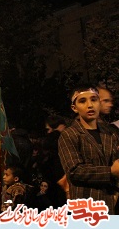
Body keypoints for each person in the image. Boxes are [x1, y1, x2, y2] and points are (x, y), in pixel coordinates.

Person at [58, 85, 119, 214]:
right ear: (74, 108)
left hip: (111, 205)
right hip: (85, 207)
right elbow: (75, 171)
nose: (90, 105)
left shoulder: (110, 134)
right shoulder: (69, 134)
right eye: (82, 101)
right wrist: (110, 171)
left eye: (94, 100)